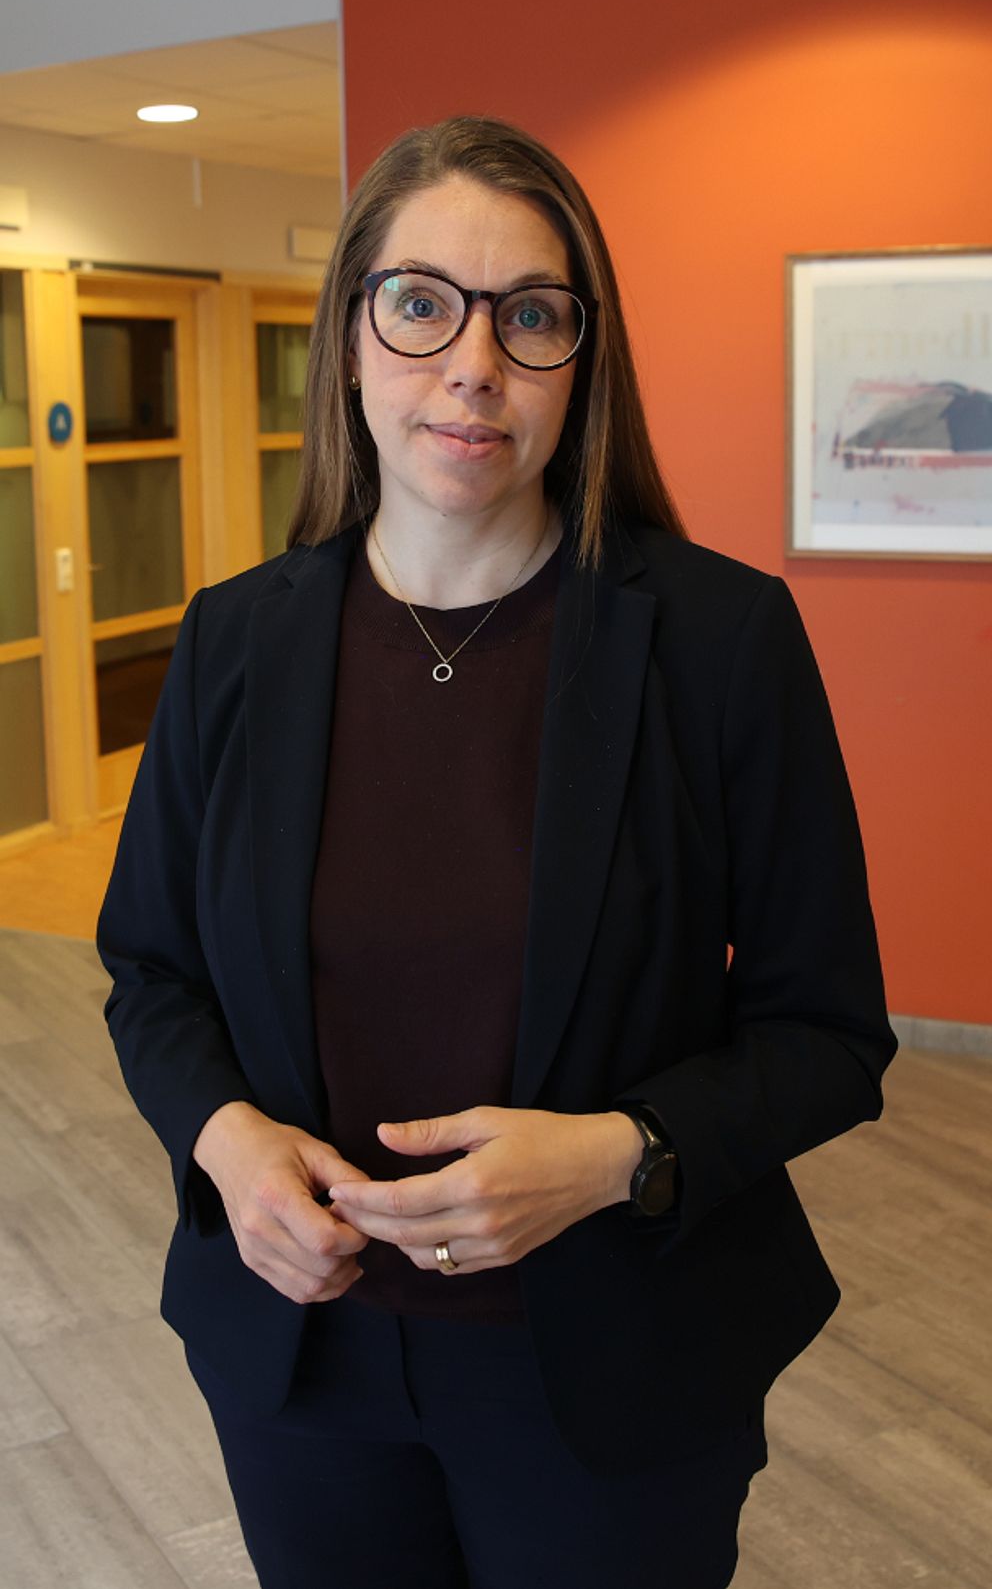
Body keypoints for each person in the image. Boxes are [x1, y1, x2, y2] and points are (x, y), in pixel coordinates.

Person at [98, 115, 895, 1589]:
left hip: (611, 1366)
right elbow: (150, 972)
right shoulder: (234, 641)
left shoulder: (720, 641)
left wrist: (617, 1155)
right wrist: (224, 1138)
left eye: (530, 315)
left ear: (582, 361)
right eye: (422, 304)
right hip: (303, 1359)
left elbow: (831, 1035)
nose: (474, 362)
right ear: (350, 336)